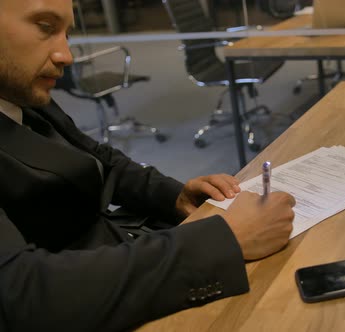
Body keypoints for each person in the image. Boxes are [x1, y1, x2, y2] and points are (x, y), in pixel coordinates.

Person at [0, 1, 296, 331]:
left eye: (67, 34)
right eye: (45, 27)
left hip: (132, 257)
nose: (65, 56)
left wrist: (173, 195)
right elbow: (21, 293)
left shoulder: (19, 94)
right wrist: (225, 240)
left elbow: (98, 160)